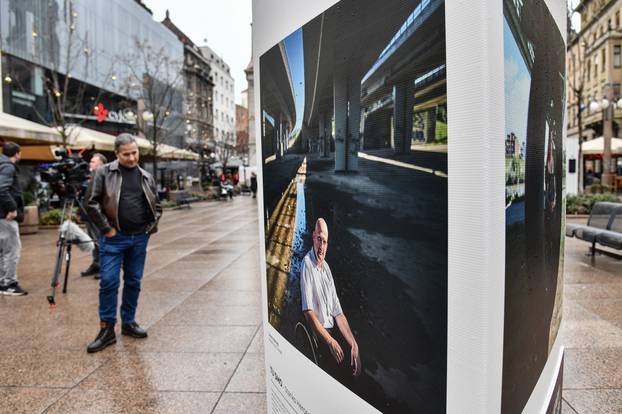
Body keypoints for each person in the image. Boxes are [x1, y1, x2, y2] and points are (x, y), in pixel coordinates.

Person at [85, 134, 162, 353]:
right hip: (114, 239)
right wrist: (107, 229)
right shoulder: (103, 172)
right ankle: (107, 328)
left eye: (134, 152)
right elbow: (91, 203)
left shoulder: (146, 176)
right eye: (126, 154)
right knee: (108, 282)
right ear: (117, 154)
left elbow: (156, 206)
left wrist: (148, 229)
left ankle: (129, 322)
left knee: (133, 281)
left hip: (139, 238)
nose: (131, 158)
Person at [300, 218, 361, 381]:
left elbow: (338, 314)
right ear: (313, 237)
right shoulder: (307, 264)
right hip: (319, 338)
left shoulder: (326, 268)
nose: (321, 246)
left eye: (324, 241)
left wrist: (353, 343)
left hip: (331, 334)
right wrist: (330, 342)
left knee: (354, 362)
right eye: (319, 239)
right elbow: (308, 313)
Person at [0, 142, 27, 296]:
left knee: (2, 250)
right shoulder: (8, 166)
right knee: (11, 250)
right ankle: (9, 283)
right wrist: (12, 208)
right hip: (6, 215)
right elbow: (2, 189)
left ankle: (2, 282)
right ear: (17, 153)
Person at [80, 153, 107, 279]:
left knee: (100, 241)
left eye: (93, 161)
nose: (90, 163)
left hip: (97, 215)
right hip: (88, 215)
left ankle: (104, 267)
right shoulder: (91, 176)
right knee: (93, 241)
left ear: (101, 164)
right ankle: (96, 264)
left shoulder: (103, 176)